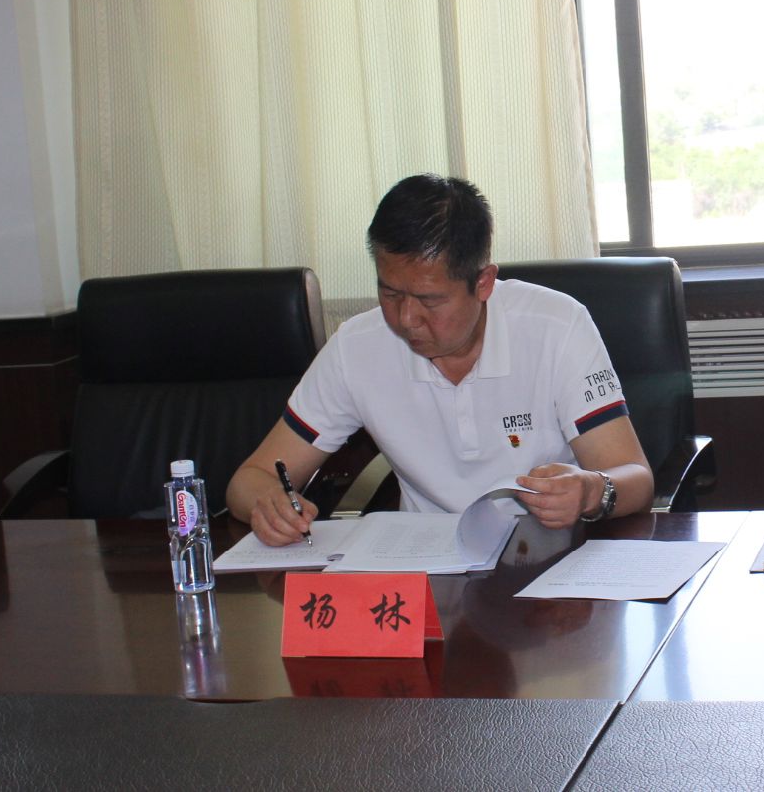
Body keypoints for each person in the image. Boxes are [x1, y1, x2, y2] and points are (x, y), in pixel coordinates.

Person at [228, 174, 654, 545]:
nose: (406, 318)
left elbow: (636, 478)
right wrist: (269, 504)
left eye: (429, 300)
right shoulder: (356, 347)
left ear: (483, 282)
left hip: (549, 556)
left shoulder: (557, 327)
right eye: (390, 293)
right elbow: (251, 479)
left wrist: (592, 491)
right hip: (426, 563)